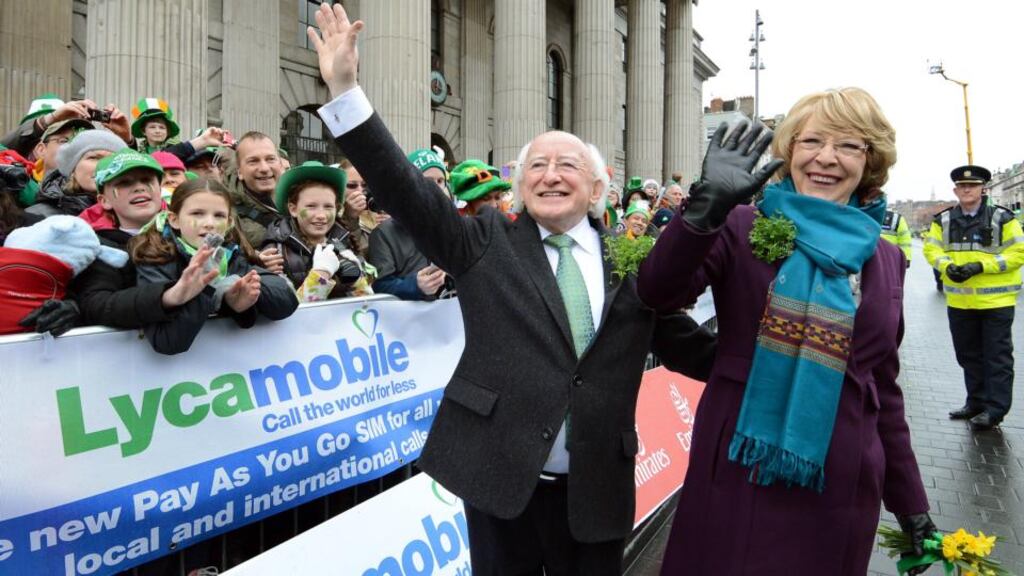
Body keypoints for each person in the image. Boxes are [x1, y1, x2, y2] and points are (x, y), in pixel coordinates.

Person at [306, 5, 716, 573]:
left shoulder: (632, 262)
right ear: (520, 186)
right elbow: (405, 190)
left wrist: (783, 361)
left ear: (597, 186)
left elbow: (692, 348)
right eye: (536, 166)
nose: (550, 174)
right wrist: (347, 90)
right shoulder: (484, 240)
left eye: (567, 164)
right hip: (498, 480)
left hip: (596, 490)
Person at [638, 87, 932, 575]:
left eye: (848, 145)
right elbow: (657, 291)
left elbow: (883, 388)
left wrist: (911, 501)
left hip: (842, 481)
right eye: (812, 141)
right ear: (790, 151)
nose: (826, 158)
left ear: (871, 160)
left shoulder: (887, 258)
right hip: (742, 467)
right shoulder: (740, 226)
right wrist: (705, 208)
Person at [130, 178, 298, 355]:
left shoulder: (228, 253)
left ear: (228, 223)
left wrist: (231, 296)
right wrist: (207, 286)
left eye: (219, 215)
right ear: (174, 219)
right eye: (197, 213)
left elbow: (286, 300)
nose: (209, 223)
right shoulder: (153, 257)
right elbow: (167, 341)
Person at [923, 165, 1024, 431]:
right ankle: (976, 403)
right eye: (962, 186)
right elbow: (932, 249)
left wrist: (981, 267)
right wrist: (947, 267)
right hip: (960, 302)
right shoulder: (942, 220)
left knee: (997, 358)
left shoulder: (1003, 218)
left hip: (996, 302)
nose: (967, 190)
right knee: (968, 355)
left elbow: (1018, 253)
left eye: (973, 186)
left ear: (983, 189)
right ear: (956, 190)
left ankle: (995, 410)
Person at [261, 160, 365, 301]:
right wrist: (321, 274)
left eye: (328, 207)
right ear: (293, 209)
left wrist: (357, 277)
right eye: (311, 206)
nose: (321, 215)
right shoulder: (276, 251)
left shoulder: (343, 242)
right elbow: (289, 310)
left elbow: (364, 301)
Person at [369, 148, 452, 300]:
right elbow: (379, 286)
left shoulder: (452, 227)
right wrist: (415, 285)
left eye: (440, 181)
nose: (435, 188)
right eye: (427, 180)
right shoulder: (384, 233)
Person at [27, 129, 127, 218]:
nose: (103, 165)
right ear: (72, 168)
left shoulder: (134, 215)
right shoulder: (38, 216)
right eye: (94, 158)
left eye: (112, 159)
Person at [226, 131, 284, 247]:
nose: (264, 168)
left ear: (280, 165)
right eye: (253, 161)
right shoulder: (226, 213)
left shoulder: (299, 202)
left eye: (270, 159)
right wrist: (254, 258)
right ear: (239, 172)